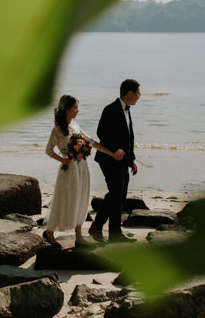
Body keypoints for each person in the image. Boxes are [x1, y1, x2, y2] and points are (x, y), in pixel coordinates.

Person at [43, 94, 125, 248]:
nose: (77, 111)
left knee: (81, 199)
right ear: (67, 109)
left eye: (77, 108)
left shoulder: (74, 125)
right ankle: (49, 232)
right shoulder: (57, 130)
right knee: (66, 199)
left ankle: (79, 236)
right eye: (75, 108)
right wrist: (63, 159)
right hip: (68, 170)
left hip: (81, 167)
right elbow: (48, 150)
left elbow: (90, 141)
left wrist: (111, 153)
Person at [89, 79, 140, 243]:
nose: (139, 97)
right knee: (116, 193)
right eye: (138, 93)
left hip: (123, 161)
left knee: (121, 195)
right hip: (109, 159)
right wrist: (114, 150)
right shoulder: (110, 109)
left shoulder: (127, 110)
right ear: (130, 93)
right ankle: (96, 227)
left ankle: (115, 233)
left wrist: (132, 160)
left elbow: (128, 139)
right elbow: (102, 133)